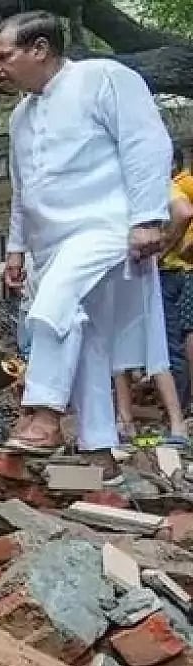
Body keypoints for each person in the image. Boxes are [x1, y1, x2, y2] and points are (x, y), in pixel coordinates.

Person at [0, 11, 172, 483]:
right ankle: (100, 460)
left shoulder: (105, 78)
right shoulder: (20, 116)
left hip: (106, 226)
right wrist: (16, 249)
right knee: (85, 340)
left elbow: (146, 143)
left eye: (2, 56)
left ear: (39, 50)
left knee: (56, 302)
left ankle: (43, 412)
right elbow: (23, 186)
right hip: (49, 242)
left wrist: (147, 218)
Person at [112, 146, 193, 447]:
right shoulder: (153, 177)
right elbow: (182, 211)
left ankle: (125, 422)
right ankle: (177, 425)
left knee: (116, 345)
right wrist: (162, 249)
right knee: (158, 348)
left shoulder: (120, 176)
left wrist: (162, 251)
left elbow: (184, 212)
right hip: (144, 269)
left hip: (120, 265)